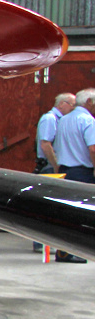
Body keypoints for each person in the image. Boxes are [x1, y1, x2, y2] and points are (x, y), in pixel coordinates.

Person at [52, 88, 95, 262]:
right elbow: (93, 148)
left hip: (65, 170)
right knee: (82, 215)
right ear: (89, 102)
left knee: (66, 213)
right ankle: (77, 250)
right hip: (82, 172)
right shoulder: (88, 121)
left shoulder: (64, 119)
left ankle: (63, 250)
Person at [37, 92, 75, 173]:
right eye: (72, 105)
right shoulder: (50, 118)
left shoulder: (62, 120)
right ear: (61, 104)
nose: (73, 108)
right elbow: (45, 144)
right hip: (50, 166)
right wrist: (56, 166)